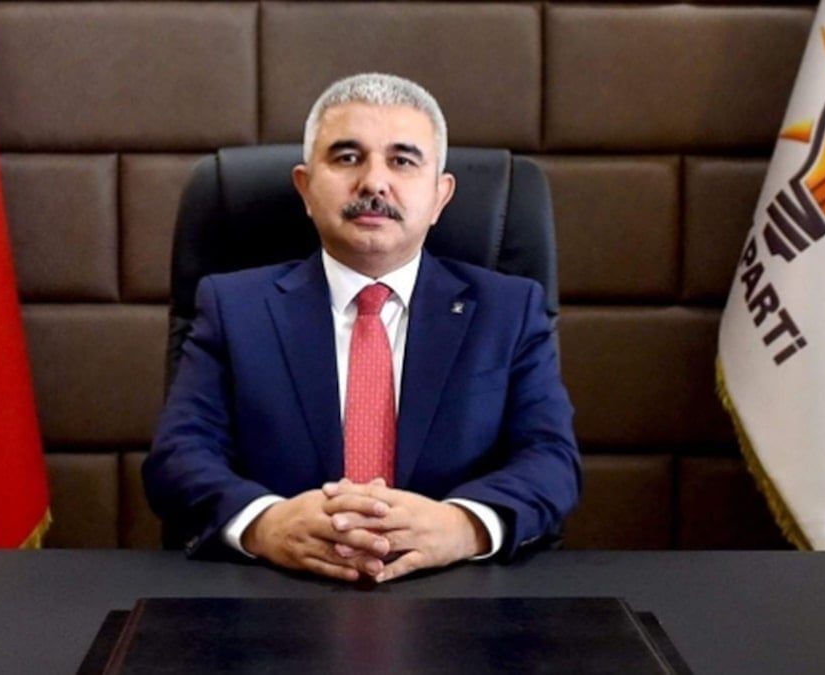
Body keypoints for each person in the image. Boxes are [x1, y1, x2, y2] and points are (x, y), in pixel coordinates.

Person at [144, 73, 580, 584]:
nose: (374, 182)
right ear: (305, 188)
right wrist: (265, 523)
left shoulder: (508, 310)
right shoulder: (233, 307)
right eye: (348, 157)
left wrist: (463, 527)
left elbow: (551, 458)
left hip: (459, 591)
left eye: (403, 161)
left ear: (440, 197)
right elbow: (179, 457)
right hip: (274, 591)